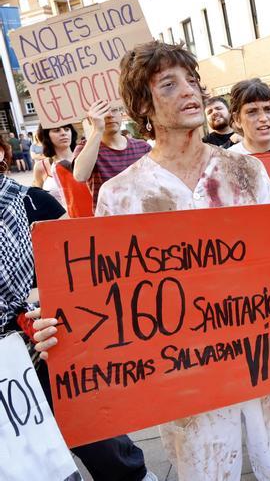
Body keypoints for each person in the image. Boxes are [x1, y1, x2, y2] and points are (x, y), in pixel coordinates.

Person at [33, 41, 270, 480]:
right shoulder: (121, 195)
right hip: (186, 374)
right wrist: (60, 325)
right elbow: (107, 298)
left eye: (192, 81)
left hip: (267, 355)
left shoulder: (245, 172)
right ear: (142, 107)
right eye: (169, 84)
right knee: (207, 469)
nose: (189, 92)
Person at [2, 146, 158, 481]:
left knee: (99, 438)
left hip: (46, 343)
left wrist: (45, 303)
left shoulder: (34, 202)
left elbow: (75, 271)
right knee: (28, 458)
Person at [72, 100, 151, 207]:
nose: (109, 115)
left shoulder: (143, 147)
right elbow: (80, 176)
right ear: (90, 119)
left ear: (121, 114)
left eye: (114, 110)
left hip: (143, 215)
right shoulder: (85, 149)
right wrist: (97, 130)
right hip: (109, 220)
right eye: (102, 111)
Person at [32, 124, 77, 208]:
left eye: (67, 129)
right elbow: (38, 200)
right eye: (57, 130)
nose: (63, 133)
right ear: (46, 136)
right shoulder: (41, 166)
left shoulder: (84, 158)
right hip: (60, 219)